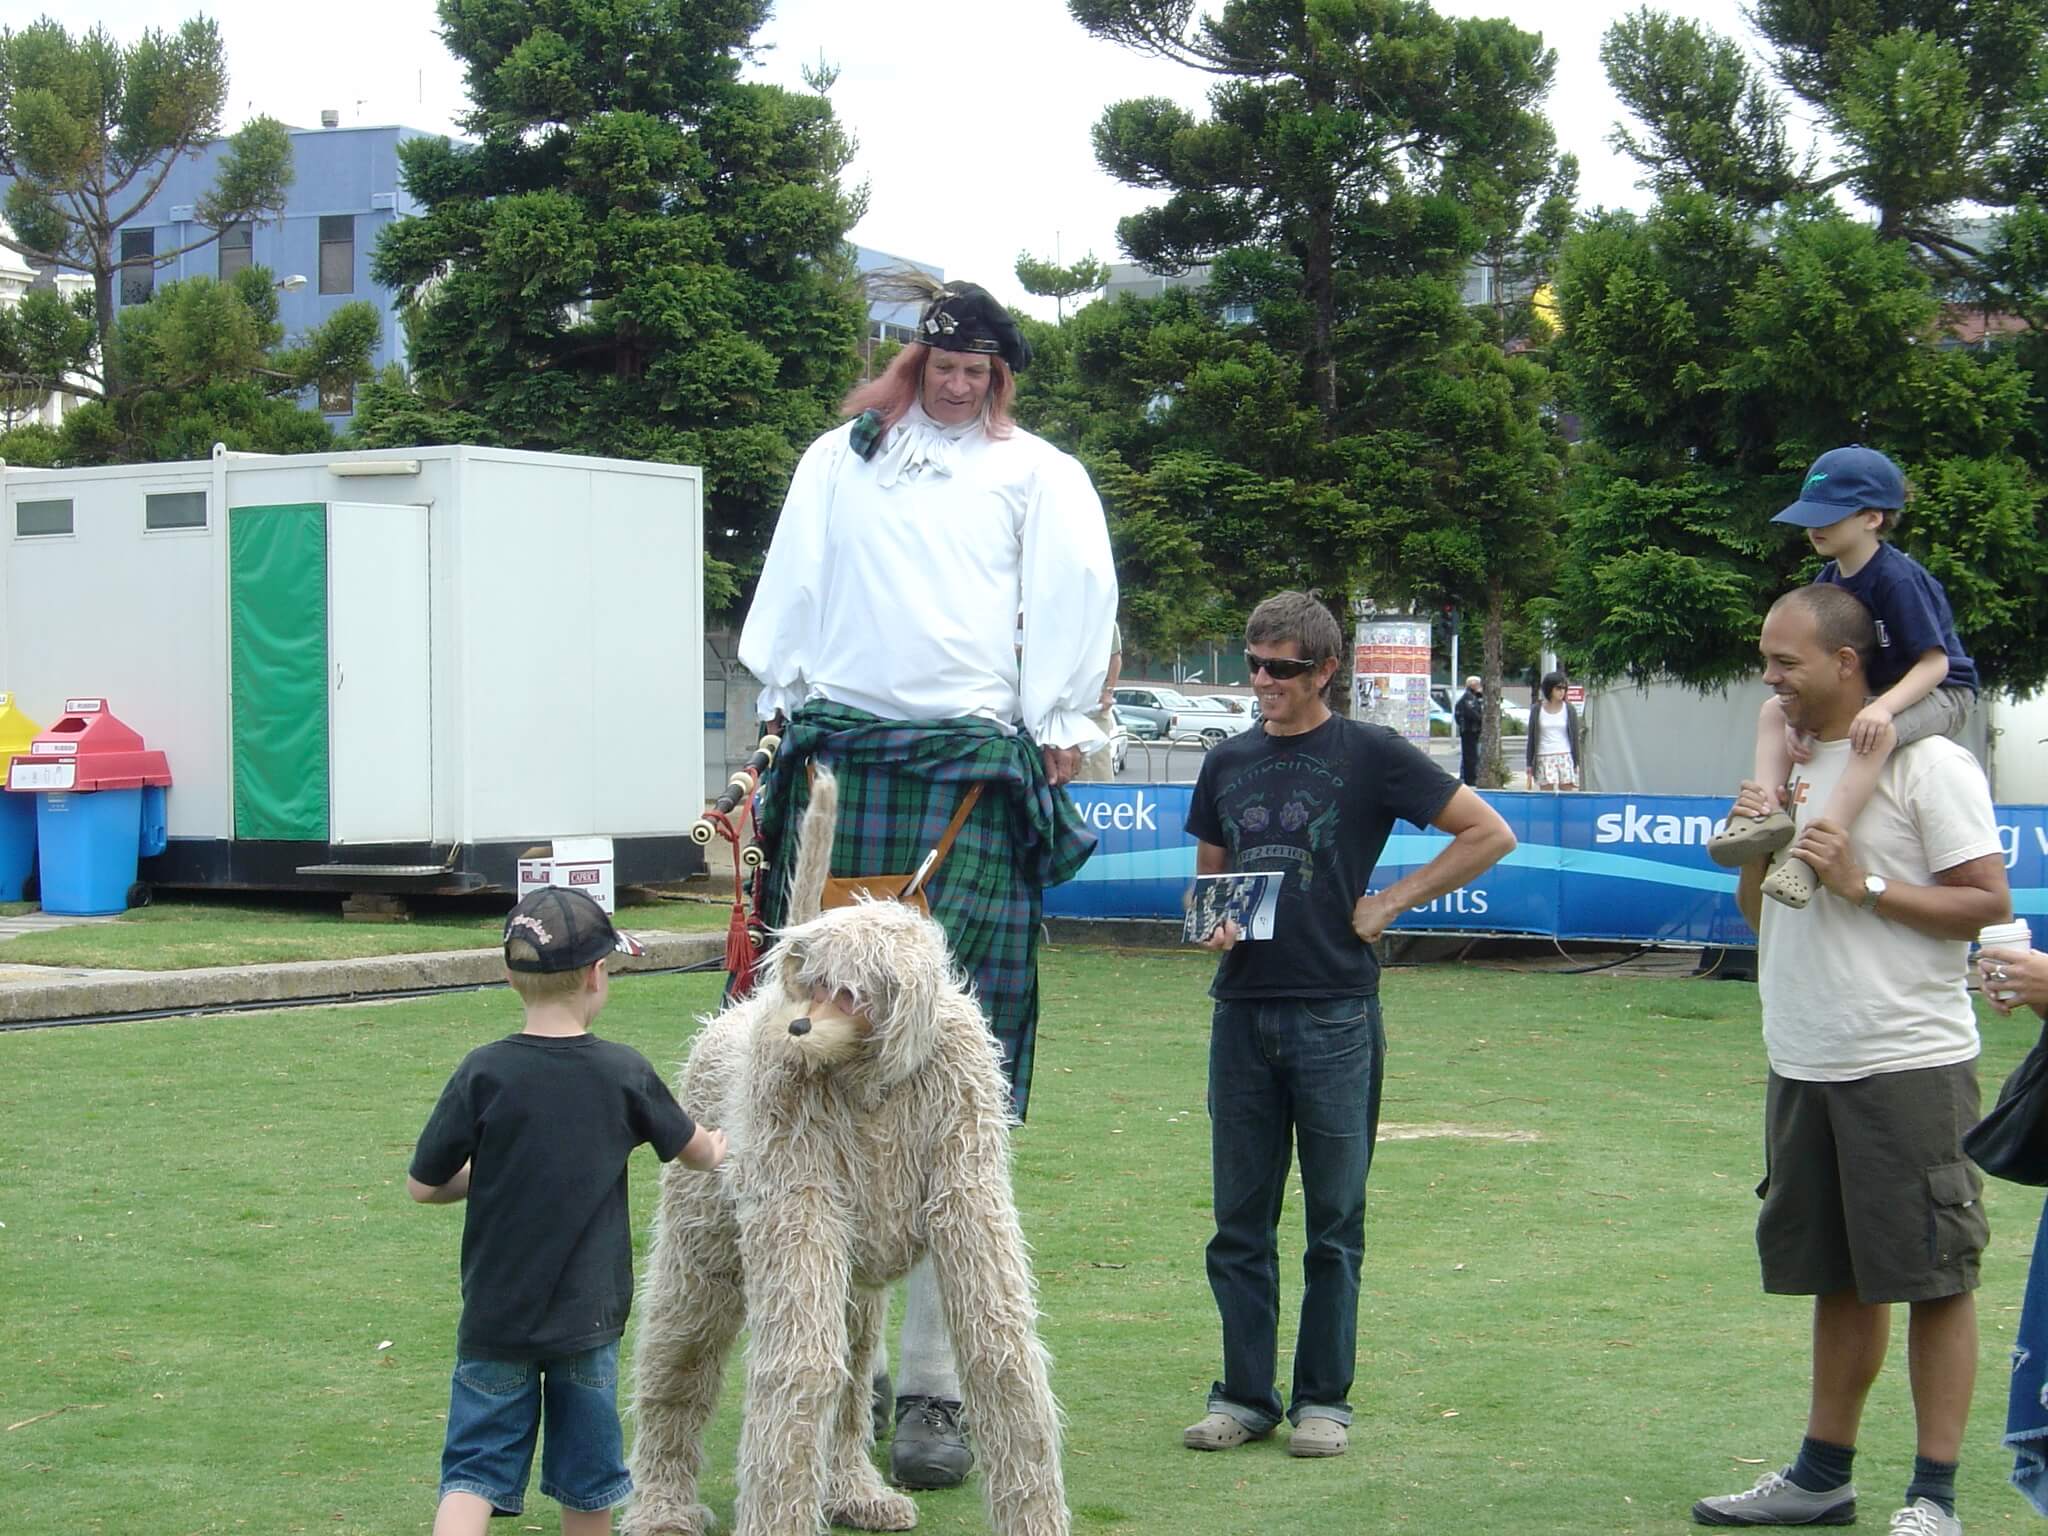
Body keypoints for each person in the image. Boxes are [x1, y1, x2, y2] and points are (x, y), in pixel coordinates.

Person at [738, 274, 1116, 1490]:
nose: (955, 387)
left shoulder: (1038, 473)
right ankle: (808, 1377)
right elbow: (792, 590)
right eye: (937, 369)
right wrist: (780, 706)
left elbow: (1071, 598)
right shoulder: (835, 460)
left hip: (971, 770)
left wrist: (1056, 714)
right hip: (841, 763)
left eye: (977, 374)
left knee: (959, 1081)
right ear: (910, 365)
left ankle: (937, 1393)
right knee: (803, 1059)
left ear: (997, 378)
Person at [1692, 585, 2008, 1536]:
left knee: (1933, 1279)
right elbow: (1761, 917)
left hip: (1906, 1061)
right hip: (1804, 1057)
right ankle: (1821, 1477)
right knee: (1838, 1276)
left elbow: (1985, 902)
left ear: (1845, 662)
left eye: (1785, 661)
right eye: (1765, 657)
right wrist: (1762, 841)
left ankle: (1934, 1498)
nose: (1769, 677)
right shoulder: (1791, 760)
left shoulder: (1929, 760)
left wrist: (1860, 882)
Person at [1180, 591, 1516, 1459]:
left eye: (1283, 668)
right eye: (1255, 663)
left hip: (1335, 1009)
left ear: (1327, 670)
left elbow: (1488, 832)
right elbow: (1210, 875)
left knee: (1334, 1219)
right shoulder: (1226, 760)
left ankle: (1323, 1400)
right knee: (1238, 1221)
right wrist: (1210, 921)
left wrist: (1393, 902)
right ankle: (1243, 1396)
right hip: (1243, 1011)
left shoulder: (1370, 752)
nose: (1264, 682)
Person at [408, 886, 728, 1536]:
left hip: (495, 1318)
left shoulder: (483, 1073)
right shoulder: (623, 1073)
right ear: (596, 975)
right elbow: (693, 1151)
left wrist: (487, 1178)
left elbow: (425, 1185)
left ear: (508, 975)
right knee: (589, 1481)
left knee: (472, 1472)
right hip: (589, 1320)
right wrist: (719, 1144)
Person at [1710, 445, 1979, 910]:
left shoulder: (1897, 578)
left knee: (1876, 735)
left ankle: (1814, 856)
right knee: (1774, 708)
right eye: (1810, 516)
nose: (1814, 527)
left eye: (1829, 516)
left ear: (1873, 518)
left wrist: (1882, 709)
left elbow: (1935, 664)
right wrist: (1799, 722)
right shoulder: (1829, 578)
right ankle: (1767, 815)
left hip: (1940, 692)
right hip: (1881, 693)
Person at [1076, 620, 1125, 783]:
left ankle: (1104, 803)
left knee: (1099, 761)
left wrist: (1108, 692)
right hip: (1066, 704)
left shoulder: (1107, 621)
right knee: (1069, 763)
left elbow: (1115, 658)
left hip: (1094, 705)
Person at [1524, 670, 1580, 790]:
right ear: (1549, 688)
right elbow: (1532, 738)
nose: (1562, 691)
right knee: (1546, 795)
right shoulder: (1537, 709)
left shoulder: (1569, 709)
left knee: (1567, 794)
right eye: (1558, 688)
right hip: (1543, 755)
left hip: (1564, 755)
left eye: (1564, 688)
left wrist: (1575, 762)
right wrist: (1529, 763)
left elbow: (1574, 737)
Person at [1452, 674, 1484, 786]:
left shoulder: (1474, 697)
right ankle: (1470, 780)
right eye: (1478, 684)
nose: (1480, 686)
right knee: (1470, 756)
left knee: (1471, 756)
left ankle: (1467, 777)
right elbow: (1473, 714)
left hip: (1471, 731)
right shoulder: (1468, 698)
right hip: (1469, 731)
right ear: (1473, 685)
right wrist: (1483, 719)